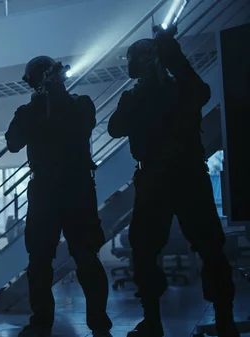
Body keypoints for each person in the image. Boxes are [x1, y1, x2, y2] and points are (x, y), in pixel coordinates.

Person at [108, 30, 239, 337]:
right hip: (186, 176)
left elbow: (116, 128)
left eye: (132, 58)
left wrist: (169, 55)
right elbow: (116, 128)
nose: (128, 63)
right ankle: (223, 321)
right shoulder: (175, 89)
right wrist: (171, 56)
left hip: (161, 178)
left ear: (145, 60)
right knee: (207, 248)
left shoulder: (151, 93)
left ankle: (155, 323)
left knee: (149, 250)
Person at [5, 56, 113, 337]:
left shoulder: (80, 104)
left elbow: (81, 127)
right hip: (46, 191)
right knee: (39, 262)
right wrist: (38, 105)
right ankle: (42, 322)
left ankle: (98, 323)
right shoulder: (30, 110)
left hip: (74, 187)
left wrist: (53, 98)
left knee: (86, 257)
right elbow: (13, 143)